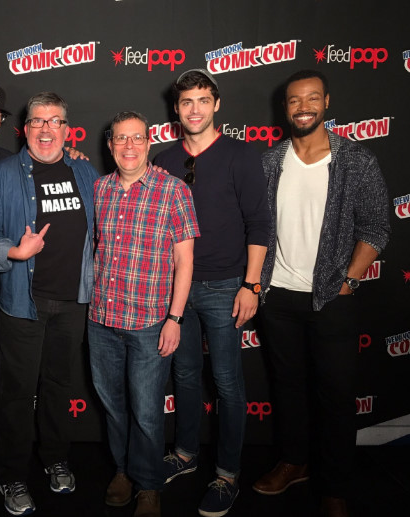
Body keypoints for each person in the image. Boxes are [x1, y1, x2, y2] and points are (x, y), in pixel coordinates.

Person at [253, 70, 390, 517]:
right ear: (285, 107)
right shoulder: (270, 162)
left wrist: (348, 280)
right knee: (287, 388)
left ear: (326, 102)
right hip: (278, 296)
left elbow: (377, 227)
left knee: (335, 394)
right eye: (295, 100)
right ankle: (294, 462)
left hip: (331, 296)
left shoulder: (356, 161)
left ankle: (334, 484)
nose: (303, 107)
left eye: (312, 98)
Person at [154, 69, 270, 517]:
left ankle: (227, 475)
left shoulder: (241, 155)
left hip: (226, 286)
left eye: (203, 100)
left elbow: (259, 224)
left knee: (227, 382)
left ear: (216, 104)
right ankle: (185, 454)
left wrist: (251, 284)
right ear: (176, 108)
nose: (195, 109)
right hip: (177, 288)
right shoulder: (163, 159)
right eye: (187, 102)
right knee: (183, 375)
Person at [0, 92, 99, 516]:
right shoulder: (3, 174)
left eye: (55, 121)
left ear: (67, 129)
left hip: (73, 302)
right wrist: (15, 252)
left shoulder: (85, 171)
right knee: (16, 394)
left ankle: (55, 459)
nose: (46, 129)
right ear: (25, 128)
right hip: (22, 302)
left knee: (58, 387)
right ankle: (12, 476)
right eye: (37, 121)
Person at [89, 111, 199, 517]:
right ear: (110, 145)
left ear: (149, 143)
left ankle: (149, 484)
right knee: (113, 407)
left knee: (148, 412)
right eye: (121, 138)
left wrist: (175, 318)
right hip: (102, 319)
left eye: (137, 138)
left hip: (150, 322)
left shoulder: (173, 191)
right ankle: (123, 471)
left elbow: (185, 261)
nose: (129, 146)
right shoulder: (100, 188)